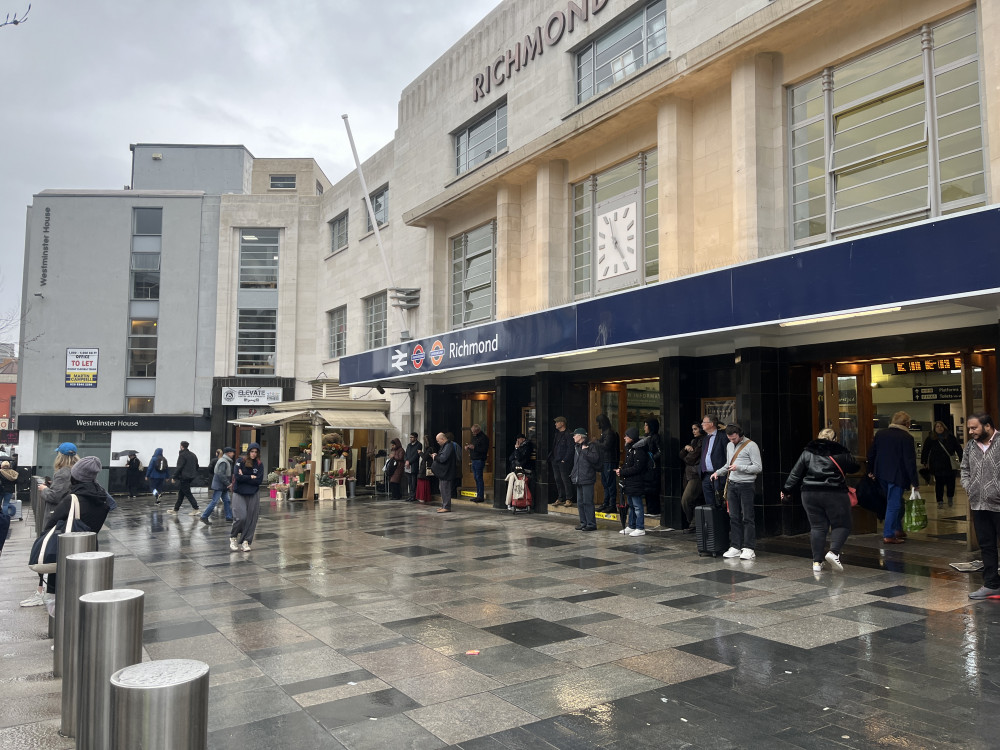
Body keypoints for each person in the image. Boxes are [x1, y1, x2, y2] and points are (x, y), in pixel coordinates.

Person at [782, 428, 859, 572]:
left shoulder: (808, 452)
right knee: (842, 525)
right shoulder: (840, 452)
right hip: (834, 493)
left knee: (817, 527)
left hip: (809, 493)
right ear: (835, 439)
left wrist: (786, 490)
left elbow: (795, 473)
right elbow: (855, 467)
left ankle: (817, 563)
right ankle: (833, 552)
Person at [41, 456, 112, 600]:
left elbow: (50, 525)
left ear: (76, 476)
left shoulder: (72, 499)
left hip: (67, 551)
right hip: (91, 547)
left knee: (61, 596)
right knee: (84, 590)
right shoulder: (102, 496)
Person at [21, 443, 79, 607]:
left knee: (46, 553)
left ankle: (42, 593)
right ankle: (46, 591)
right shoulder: (76, 471)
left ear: (60, 456)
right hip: (68, 518)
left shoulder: (63, 473)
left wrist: (44, 489)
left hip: (55, 518)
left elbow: (54, 497)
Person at [963, 413, 1000, 599]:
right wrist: (969, 487)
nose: (971, 432)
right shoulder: (970, 446)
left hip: (998, 505)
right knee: (987, 546)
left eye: (974, 428)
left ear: (987, 426)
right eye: (969, 428)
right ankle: (992, 584)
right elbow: (964, 469)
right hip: (978, 504)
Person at [867, 411, 919, 545]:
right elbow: (909, 461)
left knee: (896, 502)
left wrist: (870, 470)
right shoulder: (906, 437)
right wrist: (915, 481)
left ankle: (897, 529)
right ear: (907, 423)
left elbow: (872, 453)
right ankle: (889, 534)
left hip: (881, 474)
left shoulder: (881, 434)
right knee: (894, 504)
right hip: (897, 475)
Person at [711, 424, 762, 560]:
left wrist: (740, 467)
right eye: (730, 439)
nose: (732, 441)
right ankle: (735, 546)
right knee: (734, 517)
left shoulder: (751, 445)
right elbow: (728, 464)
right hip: (732, 484)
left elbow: (758, 467)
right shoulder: (729, 446)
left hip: (746, 485)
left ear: (740, 435)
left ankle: (749, 547)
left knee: (747, 517)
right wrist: (718, 472)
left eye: (734, 439)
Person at [921, 421, 963, 509]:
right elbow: (925, 450)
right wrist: (924, 461)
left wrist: (962, 459)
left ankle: (950, 497)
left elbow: (958, 448)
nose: (939, 428)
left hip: (949, 464)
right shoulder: (931, 438)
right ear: (934, 429)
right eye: (937, 426)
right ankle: (939, 500)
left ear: (944, 427)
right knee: (939, 483)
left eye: (941, 426)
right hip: (937, 464)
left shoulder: (950, 437)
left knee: (951, 482)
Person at [230, 442, 263, 552]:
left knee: (252, 519)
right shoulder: (240, 461)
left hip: (253, 493)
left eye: (256, 452)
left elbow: (259, 480)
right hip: (239, 492)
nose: (253, 454)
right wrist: (250, 477)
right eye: (252, 451)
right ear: (248, 451)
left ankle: (246, 541)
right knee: (241, 517)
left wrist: (244, 476)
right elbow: (237, 477)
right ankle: (233, 537)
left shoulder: (259, 464)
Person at [616, 427, 648, 536]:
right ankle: (631, 525)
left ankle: (640, 527)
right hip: (630, 482)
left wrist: (623, 472)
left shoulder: (639, 451)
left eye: (627, 436)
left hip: (636, 482)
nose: (624, 438)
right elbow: (628, 465)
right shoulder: (630, 449)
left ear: (632, 438)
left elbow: (637, 467)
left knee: (638, 506)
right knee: (631, 505)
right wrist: (621, 471)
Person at [570, 427, 601, 531]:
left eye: (575, 435)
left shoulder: (590, 446)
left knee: (588, 501)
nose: (573, 437)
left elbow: (595, 459)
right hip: (579, 478)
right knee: (580, 502)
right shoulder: (576, 446)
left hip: (587, 477)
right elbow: (577, 463)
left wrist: (585, 451)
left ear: (580, 436)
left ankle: (591, 524)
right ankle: (583, 522)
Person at [679, 423, 705, 533]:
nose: (693, 431)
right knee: (693, 500)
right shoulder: (693, 441)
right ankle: (694, 523)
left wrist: (687, 452)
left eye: (695, 429)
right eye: (692, 429)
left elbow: (691, 458)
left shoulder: (703, 441)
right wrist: (686, 449)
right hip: (689, 474)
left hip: (695, 474)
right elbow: (681, 455)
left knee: (686, 499)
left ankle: (693, 522)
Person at [201, 447, 235, 525]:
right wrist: (228, 484)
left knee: (227, 500)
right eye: (232, 452)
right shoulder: (223, 461)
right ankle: (204, 516)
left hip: (222, 485)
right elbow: (220, 474)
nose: (233, 454)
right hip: (220, 485)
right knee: (215, 501)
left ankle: (229, 517)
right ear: (228, 453)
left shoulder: (226, 461)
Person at [700, 415, 728, 507]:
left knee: (719, 503)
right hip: (706, 475)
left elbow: (727, 455)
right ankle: (711, 521)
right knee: (709, 504)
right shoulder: (705, 438)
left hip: (718, 475)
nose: (702, 424)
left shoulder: (722, 437)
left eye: (704, 422)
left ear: (711, 424)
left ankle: (721, 521)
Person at [596, 414, 620, 513]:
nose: (597, 425)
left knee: (610, 483)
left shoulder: (610, 433)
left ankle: (612, 504)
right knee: (605, 483)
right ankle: (606, 503)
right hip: (605, 461)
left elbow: (606, 446)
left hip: (609, 461)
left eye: (598, 422)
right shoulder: (605, 432)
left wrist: (596, 442)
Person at [550, 416, 575, 507]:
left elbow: (570, 448)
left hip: (563, 461)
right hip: (555, 460)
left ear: (562, 423)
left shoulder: (568, 434)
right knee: (558, 479)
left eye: (557, 422)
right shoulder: (557, 434)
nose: (555, 424)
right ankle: (561, 497)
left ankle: (569, 498)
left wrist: (565, 459)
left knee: (565, 479)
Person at [171, 441, 200, 514]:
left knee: (187, 493)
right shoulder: (193, 455)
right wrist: (193, 473)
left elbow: (179, 467)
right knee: (181, 493)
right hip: (191, 477)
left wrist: (174, 477)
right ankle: (175, 509)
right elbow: (197, 466)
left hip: (184, 477)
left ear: (181, 446)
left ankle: (196, 508)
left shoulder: (182, 455)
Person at [431, 432, 457, 513]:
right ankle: (444, 505)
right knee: (442, 489)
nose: (437, 442)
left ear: (442, 439)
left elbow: (443, 458)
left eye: (438, 441)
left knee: (445, 489)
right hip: (443, 472)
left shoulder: (448, 446)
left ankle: (446, 506)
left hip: (446, 472)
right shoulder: (445, 446)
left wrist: (435, 457)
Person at [642, 417, 662, 516]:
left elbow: (660, 451)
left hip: (653, 467)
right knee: (647, 489)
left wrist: (651, 458)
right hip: (647, 467)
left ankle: (654, 509)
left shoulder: (655, 437)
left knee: (653, 489)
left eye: (646, 425)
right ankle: (650, 508)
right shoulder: (646, 437)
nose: (644, 427)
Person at [465, 424, 489, 503]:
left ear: (477, 430)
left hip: (479, 460)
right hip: (474, 459)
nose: (473, 433)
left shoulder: (484, 438)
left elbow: (484, 449)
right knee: (476, 477)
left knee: (479, 478)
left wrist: (474, 447)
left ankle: (480, 496)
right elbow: (473, 446)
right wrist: (468, 447)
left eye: (474, 431)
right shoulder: (475, 437)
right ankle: (478, 495)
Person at [404, 432, 422, 502]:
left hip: (414, 465)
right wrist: (406, 461)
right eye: (410, 437)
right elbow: (406, 454)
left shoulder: (419, 445)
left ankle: (414, 496)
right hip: (407, 466)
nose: (411, 438)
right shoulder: (409, 445)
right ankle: (410, 495)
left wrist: (409, 461)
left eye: (412, 437)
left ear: (416, 438)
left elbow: (416, 456)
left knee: (414, 482)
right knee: (409, 482)